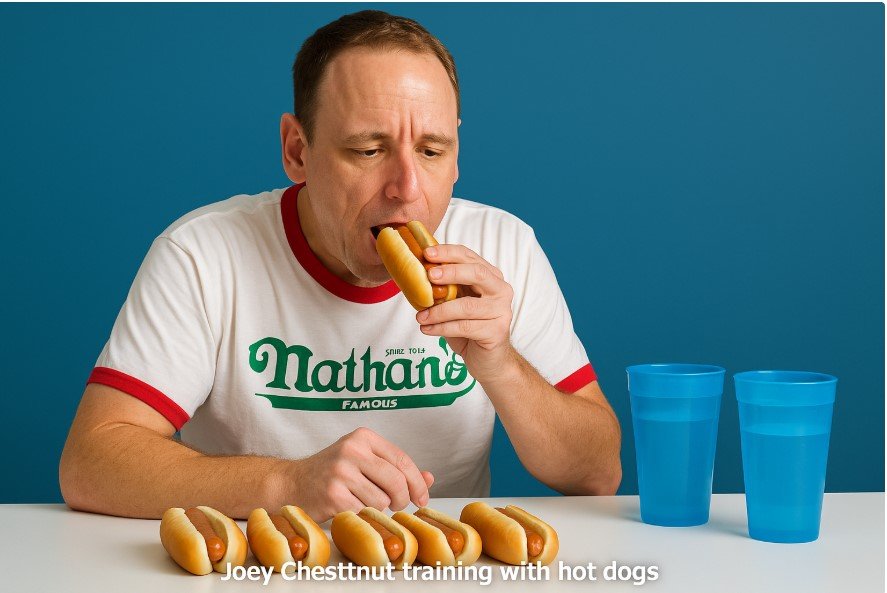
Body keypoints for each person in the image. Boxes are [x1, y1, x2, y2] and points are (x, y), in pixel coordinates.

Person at [59, 10, 621, 522]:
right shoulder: (204, 254)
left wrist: (500, 366)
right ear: (297, 151)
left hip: (440, 569)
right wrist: (286, 483)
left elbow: (598, 473)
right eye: (368, 150)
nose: (407, 191)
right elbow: (90, 462)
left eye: (431, 151)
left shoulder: (504, 246)